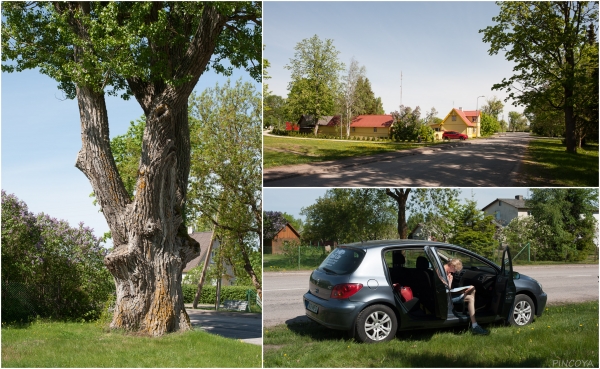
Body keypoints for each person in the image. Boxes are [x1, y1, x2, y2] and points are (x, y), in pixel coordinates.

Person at [443, 258, 489, 335]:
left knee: (471, 293)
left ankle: (474, 322)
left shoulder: (444, 271)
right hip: (445, 298)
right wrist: (449, 281)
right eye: (455, 270)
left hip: (447, 296)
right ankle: (474, 323)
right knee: (472, 290)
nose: (455, 272)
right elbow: (445, 291)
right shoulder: (441, 272)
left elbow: (448, 289)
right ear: (451, 266)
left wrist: (450, 280)